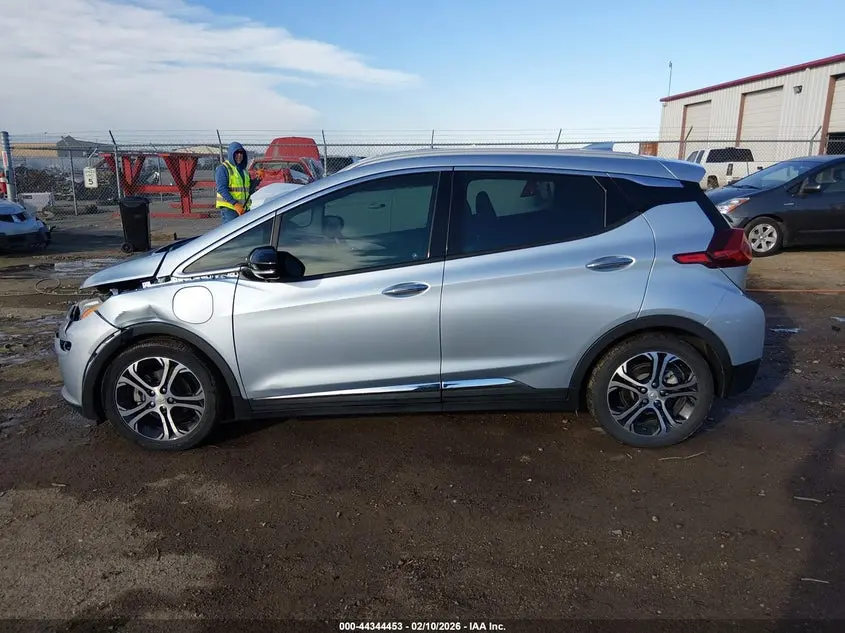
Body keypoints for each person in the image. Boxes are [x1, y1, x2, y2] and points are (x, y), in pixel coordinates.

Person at [215, 142, 262, 224]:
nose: (239, 155)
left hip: (244, 208)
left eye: (241, 153)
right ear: (231, 154)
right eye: (237, 152)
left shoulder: (244, 170)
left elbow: (249, 188)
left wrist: (258, 178)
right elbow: (221, 189)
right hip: (230, 209)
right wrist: (235, 204)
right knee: (230, 234)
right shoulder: (223, 168)